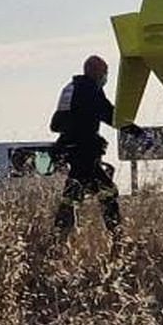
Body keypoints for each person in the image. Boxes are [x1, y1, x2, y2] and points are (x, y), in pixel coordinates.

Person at [50, 55, 138, 241]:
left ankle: (60, 237)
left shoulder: (71, 88)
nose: (105, 78)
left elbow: (55, 124)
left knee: (80, 192)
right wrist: (134, 130)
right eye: (105, 73)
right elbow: (109, 114)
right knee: (102, 191)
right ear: (97, 73)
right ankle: (117, 238)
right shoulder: (89, 89)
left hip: (73, 150)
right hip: (84, 151)